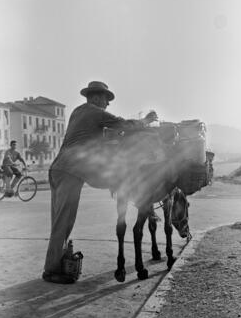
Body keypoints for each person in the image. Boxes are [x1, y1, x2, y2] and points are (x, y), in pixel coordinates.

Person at [43, 81, 159, 284]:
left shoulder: (78, 112)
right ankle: (51, 271)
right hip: (71, 170)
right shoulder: (94, 111)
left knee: (59, 222)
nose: (107, 104)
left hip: (58, 168)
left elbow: (92, 137)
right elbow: (123, 124)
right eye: (106, 100)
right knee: (64, 222)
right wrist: (146, 121)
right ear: (96, 97)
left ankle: (55, 264)